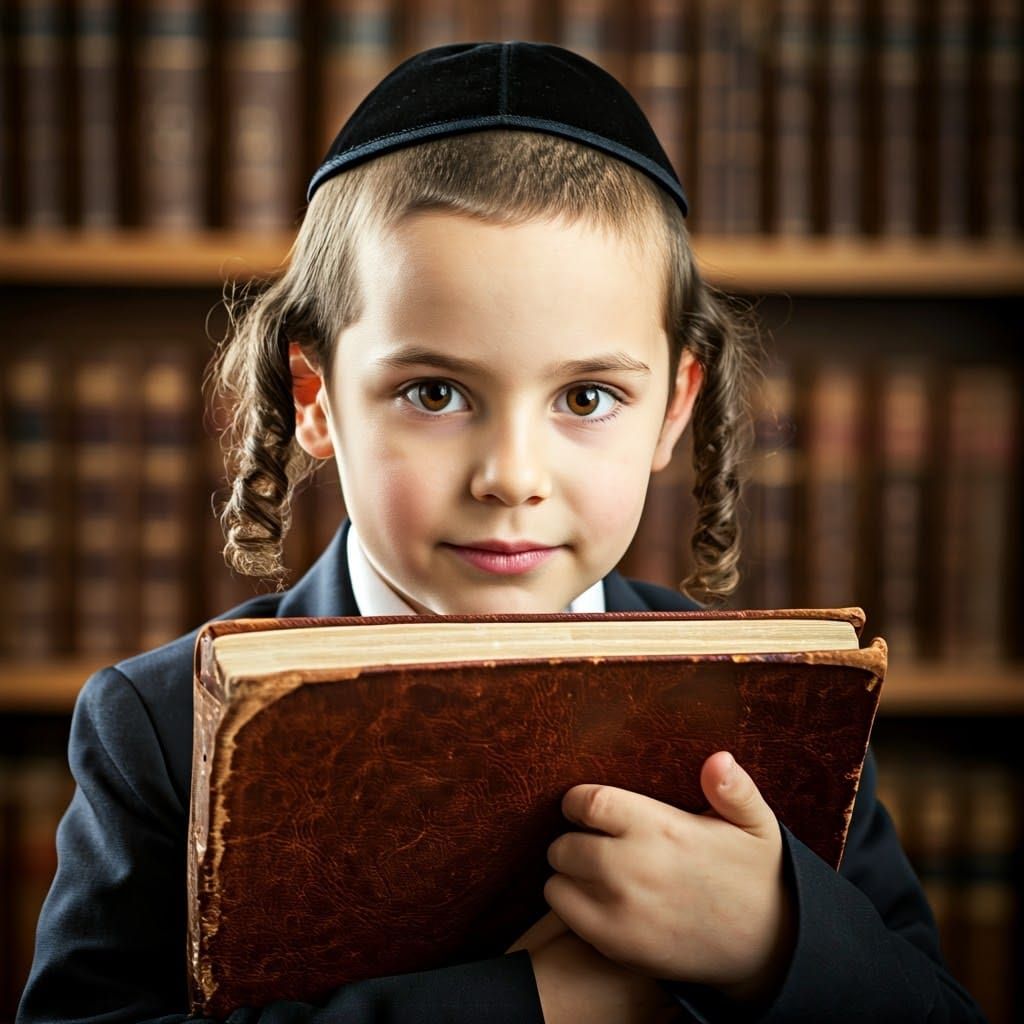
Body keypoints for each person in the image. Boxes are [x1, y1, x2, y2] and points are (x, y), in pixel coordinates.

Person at [18, 41, 986, 1024]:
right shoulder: (160, 729)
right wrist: (534, 1003)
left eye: (587, 396)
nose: (512, 477)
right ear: (315, 395)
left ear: (672, 407)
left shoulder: (775, 710)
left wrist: (776, 939)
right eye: (434, 393)